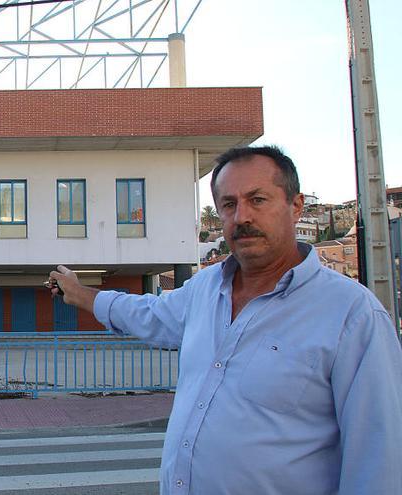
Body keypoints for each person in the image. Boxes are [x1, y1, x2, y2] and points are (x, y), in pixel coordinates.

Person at [49, 145, 402, 495]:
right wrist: (81, 294)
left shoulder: (351, 314)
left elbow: (378, 459)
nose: (242, 216)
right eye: (229, 205)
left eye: (257, 200)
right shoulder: (205, 287)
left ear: (296, 207)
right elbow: (149, 315)